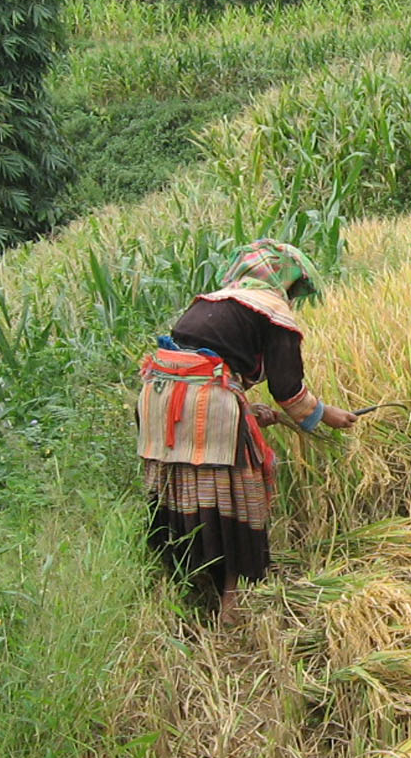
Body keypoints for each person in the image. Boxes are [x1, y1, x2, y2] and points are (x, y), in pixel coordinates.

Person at [137, 239, 356, 620]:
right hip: (205, 400)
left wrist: (247, 409)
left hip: (159, 398)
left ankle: (187, 584)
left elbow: (205, 362)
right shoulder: (273, 312)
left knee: (182, 485)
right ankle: (231, 601)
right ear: (283, 281)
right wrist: (324, 414)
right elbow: (288, 390)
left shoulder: (210, 301)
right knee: (237, 490)